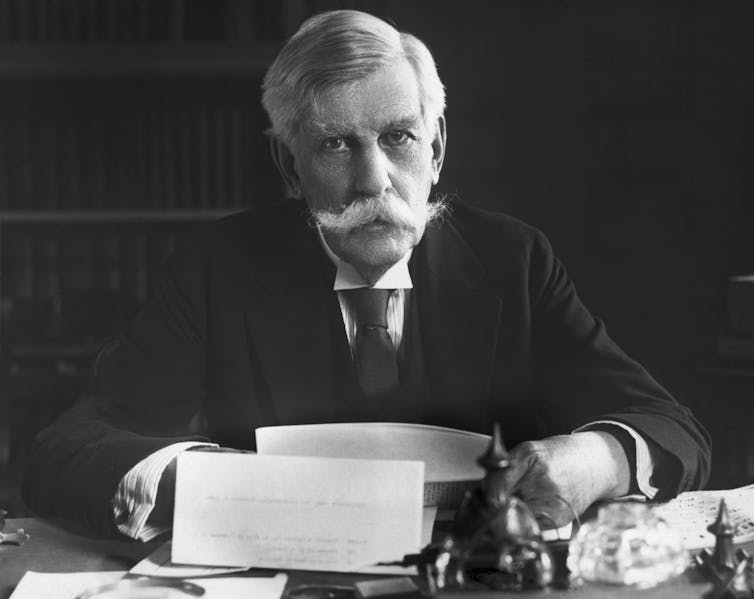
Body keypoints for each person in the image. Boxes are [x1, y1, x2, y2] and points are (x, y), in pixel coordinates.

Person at [23, 9, 709, 539]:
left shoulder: (515, 261)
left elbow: (670, 427)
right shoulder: (217, 269)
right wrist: (194, 480)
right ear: (291, 168)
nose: (374, 178)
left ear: (435, 149)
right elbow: (65, 452)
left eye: (398, 137)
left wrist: (594, 460)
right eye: (335, 144)